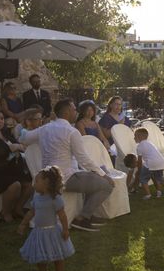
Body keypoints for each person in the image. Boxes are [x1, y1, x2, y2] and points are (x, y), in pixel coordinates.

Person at [20, 98, 115, 232]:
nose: (76, 112)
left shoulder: (44, 129)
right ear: (68, 111)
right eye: (74, 109)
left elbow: (24, 138)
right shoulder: (71, 131)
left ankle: (88, 215)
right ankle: (82, 218)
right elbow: (84, 160)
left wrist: (23, 128)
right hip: (66, 178)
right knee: (107, 185)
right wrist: (104, 175)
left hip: (48, 177)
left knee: (92, 176)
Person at [18, 166, 74, 271]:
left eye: (37, 181)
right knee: (39, 253)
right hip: (38, 231)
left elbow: (62, 215)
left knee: (57, 254)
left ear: (46, 183)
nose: (34, 184)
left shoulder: (55, 199)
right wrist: (23, 224)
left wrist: (65, 229)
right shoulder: (37, 197)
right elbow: (31, 212)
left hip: (53, 232)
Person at [131, 128, 164, 199]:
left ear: (139, 137)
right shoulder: (150, 143)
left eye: (135, 136)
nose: (134, 138)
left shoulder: (139, 147)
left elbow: (140, 161)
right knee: (160, 178)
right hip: (161, 161)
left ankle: (148, 194)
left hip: (151, 163)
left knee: (142, 178)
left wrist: (139, 170)